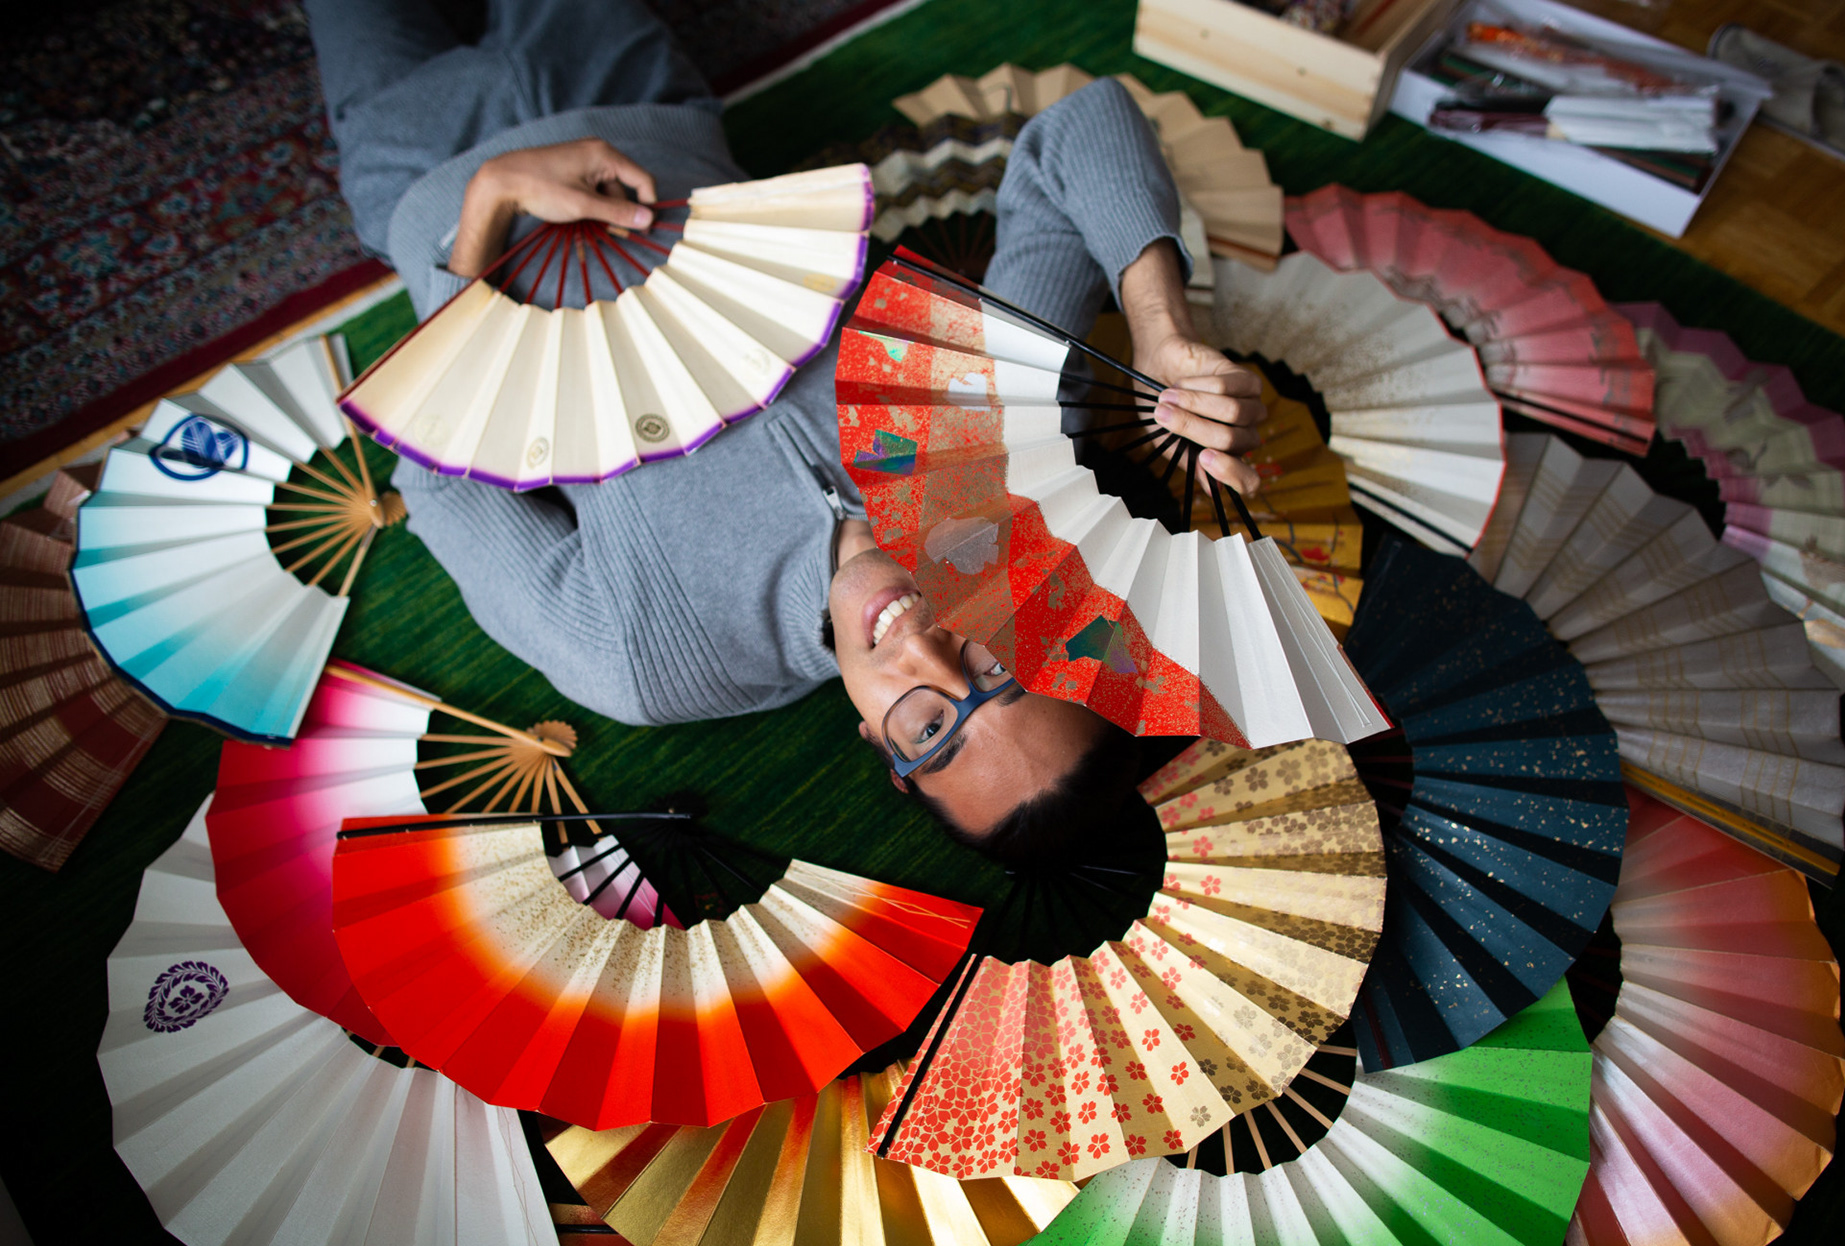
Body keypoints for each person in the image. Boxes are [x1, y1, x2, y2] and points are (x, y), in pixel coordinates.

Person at [305, 0, 1265, 857]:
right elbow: (1077, 131)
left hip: (425, 171)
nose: (922, 653)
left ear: (881, 752)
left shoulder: (648, 663)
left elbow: (432, 479)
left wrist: (489, 206)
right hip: (637, 100)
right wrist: (1158, 325)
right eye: (996, 666)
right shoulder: (988, 444)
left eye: (930, 730)